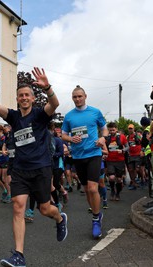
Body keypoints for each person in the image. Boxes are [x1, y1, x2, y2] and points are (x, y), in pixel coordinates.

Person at [0, 66, 67, 267]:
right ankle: (19, 255)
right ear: (17, 98)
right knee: (18, 207)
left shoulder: (40, 115)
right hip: (20, 170)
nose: (24, 97)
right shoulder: (13, 117)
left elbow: (54, 104)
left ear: (32, 98)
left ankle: (59, 218)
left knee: (45, 209)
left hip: (41, 168)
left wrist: (47, 87)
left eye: (27, 94)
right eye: (21, 95)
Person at [61, 85, 107, 239]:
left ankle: (95, 219)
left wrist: (102, 138)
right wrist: (70, 139)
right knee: (86, 189)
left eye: (80, 96)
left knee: (93, 189)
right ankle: (97, 213)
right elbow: (63, 135)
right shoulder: (69, 116)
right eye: (74, 97)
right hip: (78, 156)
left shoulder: (95, 112)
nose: (77, 99)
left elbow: (104, 129)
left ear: (85, 96)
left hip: (94, 153)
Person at [104, 122, 128, 202]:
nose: (112, 132)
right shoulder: (107, 138)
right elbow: (103, 147)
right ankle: (112, 191)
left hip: (120, 161)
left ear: (116, 129)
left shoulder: (122, 137)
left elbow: (128, 147)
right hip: (110, 160)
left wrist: (122, 150)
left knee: (119, 179)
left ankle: (117, 193)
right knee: (111, 177)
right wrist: (104, 154)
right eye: (110, 130)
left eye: (113, 130)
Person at [126, 124, 142, 190]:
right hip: (131, 155)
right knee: (131, 169)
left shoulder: (137, 135)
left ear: (133, 129)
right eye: (129, 128)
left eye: (131, 128)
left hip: (138, 154)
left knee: (137, 169)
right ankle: (134, 183)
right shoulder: (128, 137)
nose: (130, 130)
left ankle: (142, 179)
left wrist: (142, 151)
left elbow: (143, 142)